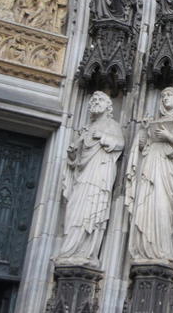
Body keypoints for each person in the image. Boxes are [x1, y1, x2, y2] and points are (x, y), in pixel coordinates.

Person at [56, 91, 124, 266]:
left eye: (100, 100)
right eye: (93, 100)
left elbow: (120, 144)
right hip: (83, 176)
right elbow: (75, 162)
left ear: (109, 106)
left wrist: (102, 137)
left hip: (98, 175)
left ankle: (85, 253)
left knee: (90, 211)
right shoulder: (86, 128)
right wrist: (72, 154)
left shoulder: (111, 125)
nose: (95, 102)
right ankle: (70, 250)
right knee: (75, 208)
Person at [127, 87, 173, 263]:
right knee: (146, 204)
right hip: (149, 167)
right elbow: (142, 147)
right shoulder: (156, 122)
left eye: (169, 95)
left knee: (162, 207)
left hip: (166, 171)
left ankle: (161, 250)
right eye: (162, 96)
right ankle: (144, 250)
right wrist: (143, 130)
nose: (165, 98)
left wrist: (168, 135)